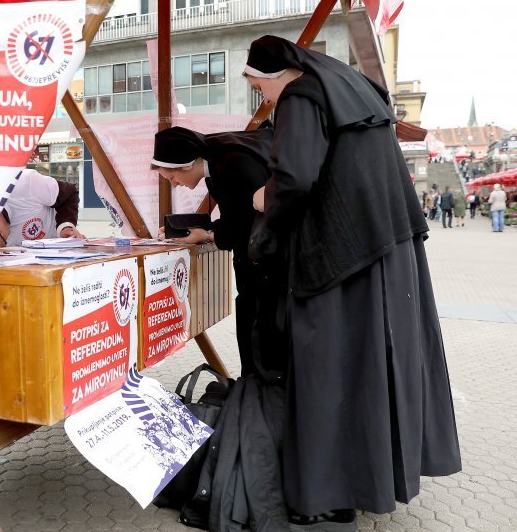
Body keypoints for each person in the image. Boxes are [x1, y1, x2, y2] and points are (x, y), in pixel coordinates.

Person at [243, 35, 461, 528]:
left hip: (341, 259)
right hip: (391, 251)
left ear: (278, 75)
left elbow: (295, 178)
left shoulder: (301, 96)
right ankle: (376, 478)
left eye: (258, 86)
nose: (262, 99)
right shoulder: (356, 92)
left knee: (331, 369)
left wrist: (264, 198)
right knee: (377, 368)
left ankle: (328, 494)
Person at [152, 125, 287, 379]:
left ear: (186, 165)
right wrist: (207, 230)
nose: (176, 185)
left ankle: (259, 401)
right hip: (262, 271)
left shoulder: (232, 164)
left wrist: (211, 235)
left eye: (172, 178)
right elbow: (238, 215)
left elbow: (252, 225)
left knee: (262, 344)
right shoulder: (221, 158)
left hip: (270, 273)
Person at [4, 169, 84, 246]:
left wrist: (65, 226)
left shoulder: (23, 183)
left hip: (56, 250)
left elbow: (69, 194)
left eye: (3, 239)